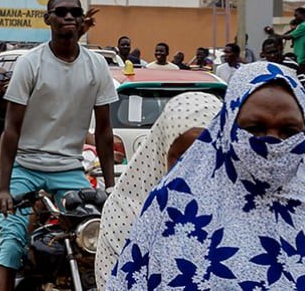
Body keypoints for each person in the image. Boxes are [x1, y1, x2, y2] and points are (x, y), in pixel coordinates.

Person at [109, 62, 305, 289]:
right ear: (227, 129)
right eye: (255, 128)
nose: (272, 143)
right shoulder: (173, 209)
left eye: (288, 131)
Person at [0, 0, 117, 291]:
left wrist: (111, 188)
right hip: (27, 167)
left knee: (93, 242)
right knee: (11, 243)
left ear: (82, 19)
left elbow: (103, 131)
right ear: (48, 19)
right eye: (61, 12)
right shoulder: (30, 64)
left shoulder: (97, 66)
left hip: (70, 171)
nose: (69, 17)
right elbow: (11, 130)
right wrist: (4, 188)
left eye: (75, 12)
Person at [94, 92, 221, 289]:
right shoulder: (126, 211)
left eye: (207, 156)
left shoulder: (241, 210)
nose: (194, 170)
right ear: (162, 152)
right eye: (181, 158)